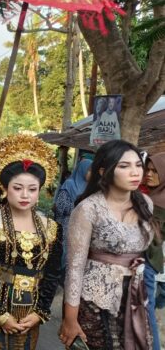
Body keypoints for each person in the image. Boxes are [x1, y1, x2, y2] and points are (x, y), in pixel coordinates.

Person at [60, 140, 158, 350]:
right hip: (95, 299)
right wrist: (70, 318)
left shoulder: (145, 203)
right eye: (124, 166)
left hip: (134, 295)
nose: (135, 172)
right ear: (104, 171)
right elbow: (75, 268)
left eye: (137, 165)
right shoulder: (88, 209)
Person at [0, 134, 62, 350]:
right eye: (17, 188)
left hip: (31, 312)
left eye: (32, 189)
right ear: (4, 188)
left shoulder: (51, 228)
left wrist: (40, 312)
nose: (25, 195)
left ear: (39, 192)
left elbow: (53, 273)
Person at [53, 158, 92, 271]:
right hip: (65, 226)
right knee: (61, 256)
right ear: (82, 170)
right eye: (89, 170)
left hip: (80, 230)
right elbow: (60, 207)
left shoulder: (90, 188)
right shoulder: (69, 184)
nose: (91, 174)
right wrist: (78, 211)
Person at [144, 152, 165, 350]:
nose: (148, 174)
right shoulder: (150, 196)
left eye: (154, 170)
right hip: (145, 262)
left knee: (145, 312)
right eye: (147, 169)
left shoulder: (159, 203)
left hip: (146, 263)